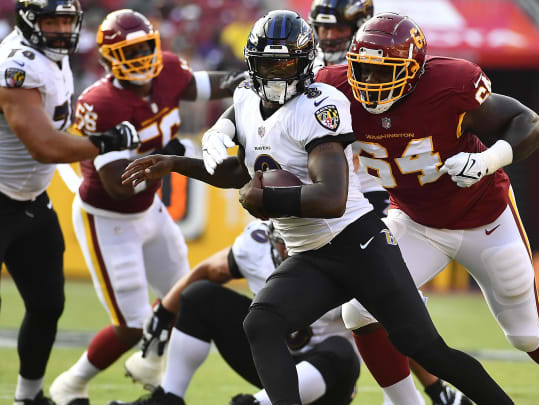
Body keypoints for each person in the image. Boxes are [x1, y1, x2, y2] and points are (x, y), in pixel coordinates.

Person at [124, 9, 513, 405]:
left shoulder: (320, 104)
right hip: (311, 254)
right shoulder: (244, 100)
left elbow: (331, 197)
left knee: (426, 348)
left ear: (305, 63)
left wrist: (267, 199)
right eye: (267, 64)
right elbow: (240, 172)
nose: (276, 75)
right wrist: (177, 164)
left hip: (358, 246)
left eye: (285, 64)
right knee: (262, 322)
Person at [313, 12, 539, 405]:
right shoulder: (335, 87)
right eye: (363, 69)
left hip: (484, 219)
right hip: (416, 222)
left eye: (381, 72)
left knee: (526, 334)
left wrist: (488, 162)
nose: (368, 82)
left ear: (414, 72)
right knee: (359, 312)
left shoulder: (450, 85)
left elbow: (530, 123)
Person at [47, 9, 235, 405]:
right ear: (108, 58)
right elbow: (118, 187)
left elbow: (207, 85)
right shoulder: (101, 102)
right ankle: (71, 384)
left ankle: (158, 379)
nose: (141, 59)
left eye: (146, 47)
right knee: (131, 325)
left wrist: (251, 80)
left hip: (150, 211)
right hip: (108, 219)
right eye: (130, 52)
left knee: (183, 298)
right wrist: (165, 158)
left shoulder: (167, 70)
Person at [309, 2, 466, 404]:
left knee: (384, 300)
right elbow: (244, 91)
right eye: (322, 29)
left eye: (338, 28)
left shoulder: (375, 68)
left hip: (373, 194)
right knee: (356, 306)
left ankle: (430, 389)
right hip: (324, 198)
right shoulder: (308, 70)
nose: (328, 37)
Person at [0, 1, 140, 404]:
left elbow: (57, 126)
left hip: (30, 200)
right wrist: (104, 143)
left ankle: (28, 397)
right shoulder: (17, 64)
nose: (61, 30)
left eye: (67, 20)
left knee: (47, 305)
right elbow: (43, 145)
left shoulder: (52, 59)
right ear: (29, 22)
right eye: (51, 21)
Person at [107, 220, 361, 405]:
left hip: (327, 380)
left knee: (341, 349)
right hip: (273, 364)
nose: (289, 250)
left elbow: (388, 321)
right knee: (200, 296)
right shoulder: (256, 248)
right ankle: (169, 397)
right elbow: (208, 271)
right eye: (285, 239)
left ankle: (253, 404)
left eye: (299, 238)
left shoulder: (346, 261)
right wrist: (164, 313)